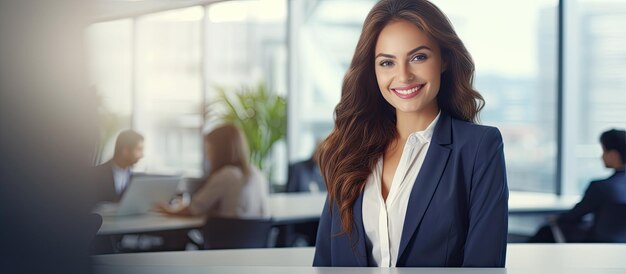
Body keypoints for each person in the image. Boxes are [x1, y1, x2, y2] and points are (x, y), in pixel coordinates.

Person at [313, 0, 508, 267]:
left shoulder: (478, 149)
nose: (403, 76)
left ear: (444, 60)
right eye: (387, 63)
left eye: (418, 57)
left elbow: (484, 266)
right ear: (373, 71)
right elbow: (326, 263)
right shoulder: (348, 150)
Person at [528, 129, 626, 243]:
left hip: (598, 247)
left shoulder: (601, 187)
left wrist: (557, 218)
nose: (601, 157)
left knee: (547, 231)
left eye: (604, 151)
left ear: (614, 155)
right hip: (620, 249)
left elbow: (574, 216)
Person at [157, 124, 270, 219]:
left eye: (210, 150)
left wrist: (169, 210)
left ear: (220, 150)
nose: (207, 157)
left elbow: (194, 209)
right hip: (255, 243)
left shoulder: (226, 175)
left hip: (226, 240)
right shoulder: (256, 173)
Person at [93, 129, 144, 203]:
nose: (142, 155)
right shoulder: (95, 175)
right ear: (125, 150)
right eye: (139, 149)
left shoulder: (137, 179)